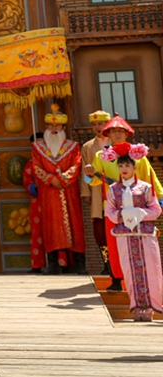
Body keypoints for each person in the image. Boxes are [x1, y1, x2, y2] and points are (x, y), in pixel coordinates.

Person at [87, 114, 163, 292]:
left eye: (121, 131)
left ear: (127, 133)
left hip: (137, 205)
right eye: (113, 131)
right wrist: (89, 173)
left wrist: (159, 197)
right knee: (114, 245)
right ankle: (116, 279)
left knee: (140, 242)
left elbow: (150, 177)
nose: (117, 134)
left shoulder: (138, 155)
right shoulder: (102, 155)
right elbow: (94, 180)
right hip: (114, 207)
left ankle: (142, 280)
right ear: (108, 134)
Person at [101, 142, 162, 321]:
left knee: (150, 269)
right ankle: (136, 306)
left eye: (127, 165)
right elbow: (110, 211)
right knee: (130, 270)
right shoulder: (113, 189)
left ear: (135, 167)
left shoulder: (145, 187)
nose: (124, 169)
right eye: (121, 166)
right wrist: (123, 215)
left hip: (145, 234)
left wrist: (139, 213)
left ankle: (150, 307)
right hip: (125, 235)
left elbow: (156, 210)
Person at [32, 106, 85, 274]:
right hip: (49, 192)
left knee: (74, 224)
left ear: (63, 127)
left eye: (57, 126)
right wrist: (50, 179)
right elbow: (36, 167)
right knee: (51, 225)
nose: (53, 129)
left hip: (68, 190)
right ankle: (53, 263)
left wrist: (62, 179)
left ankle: (80, 264)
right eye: (50, 126)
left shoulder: (73, 147)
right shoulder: (38, 148)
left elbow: (76, 165)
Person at [81, 111, 112, 275]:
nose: (97, 127)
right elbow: (84, 170)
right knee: (100, 230)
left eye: (100, 123)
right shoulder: (88, 147)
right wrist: (86, 192)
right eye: (94, 124)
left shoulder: (116, 142)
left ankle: (117, 263)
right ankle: (106, 263)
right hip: (97, 191)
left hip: (113, 190)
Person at [24, 132, 47, 273]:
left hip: (52, 199)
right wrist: (34, 187)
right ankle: (37, 265)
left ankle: (61, 263)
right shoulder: (30, 164)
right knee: (37, 233)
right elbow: (27, 182)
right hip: (37, 202)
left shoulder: (51, 161)